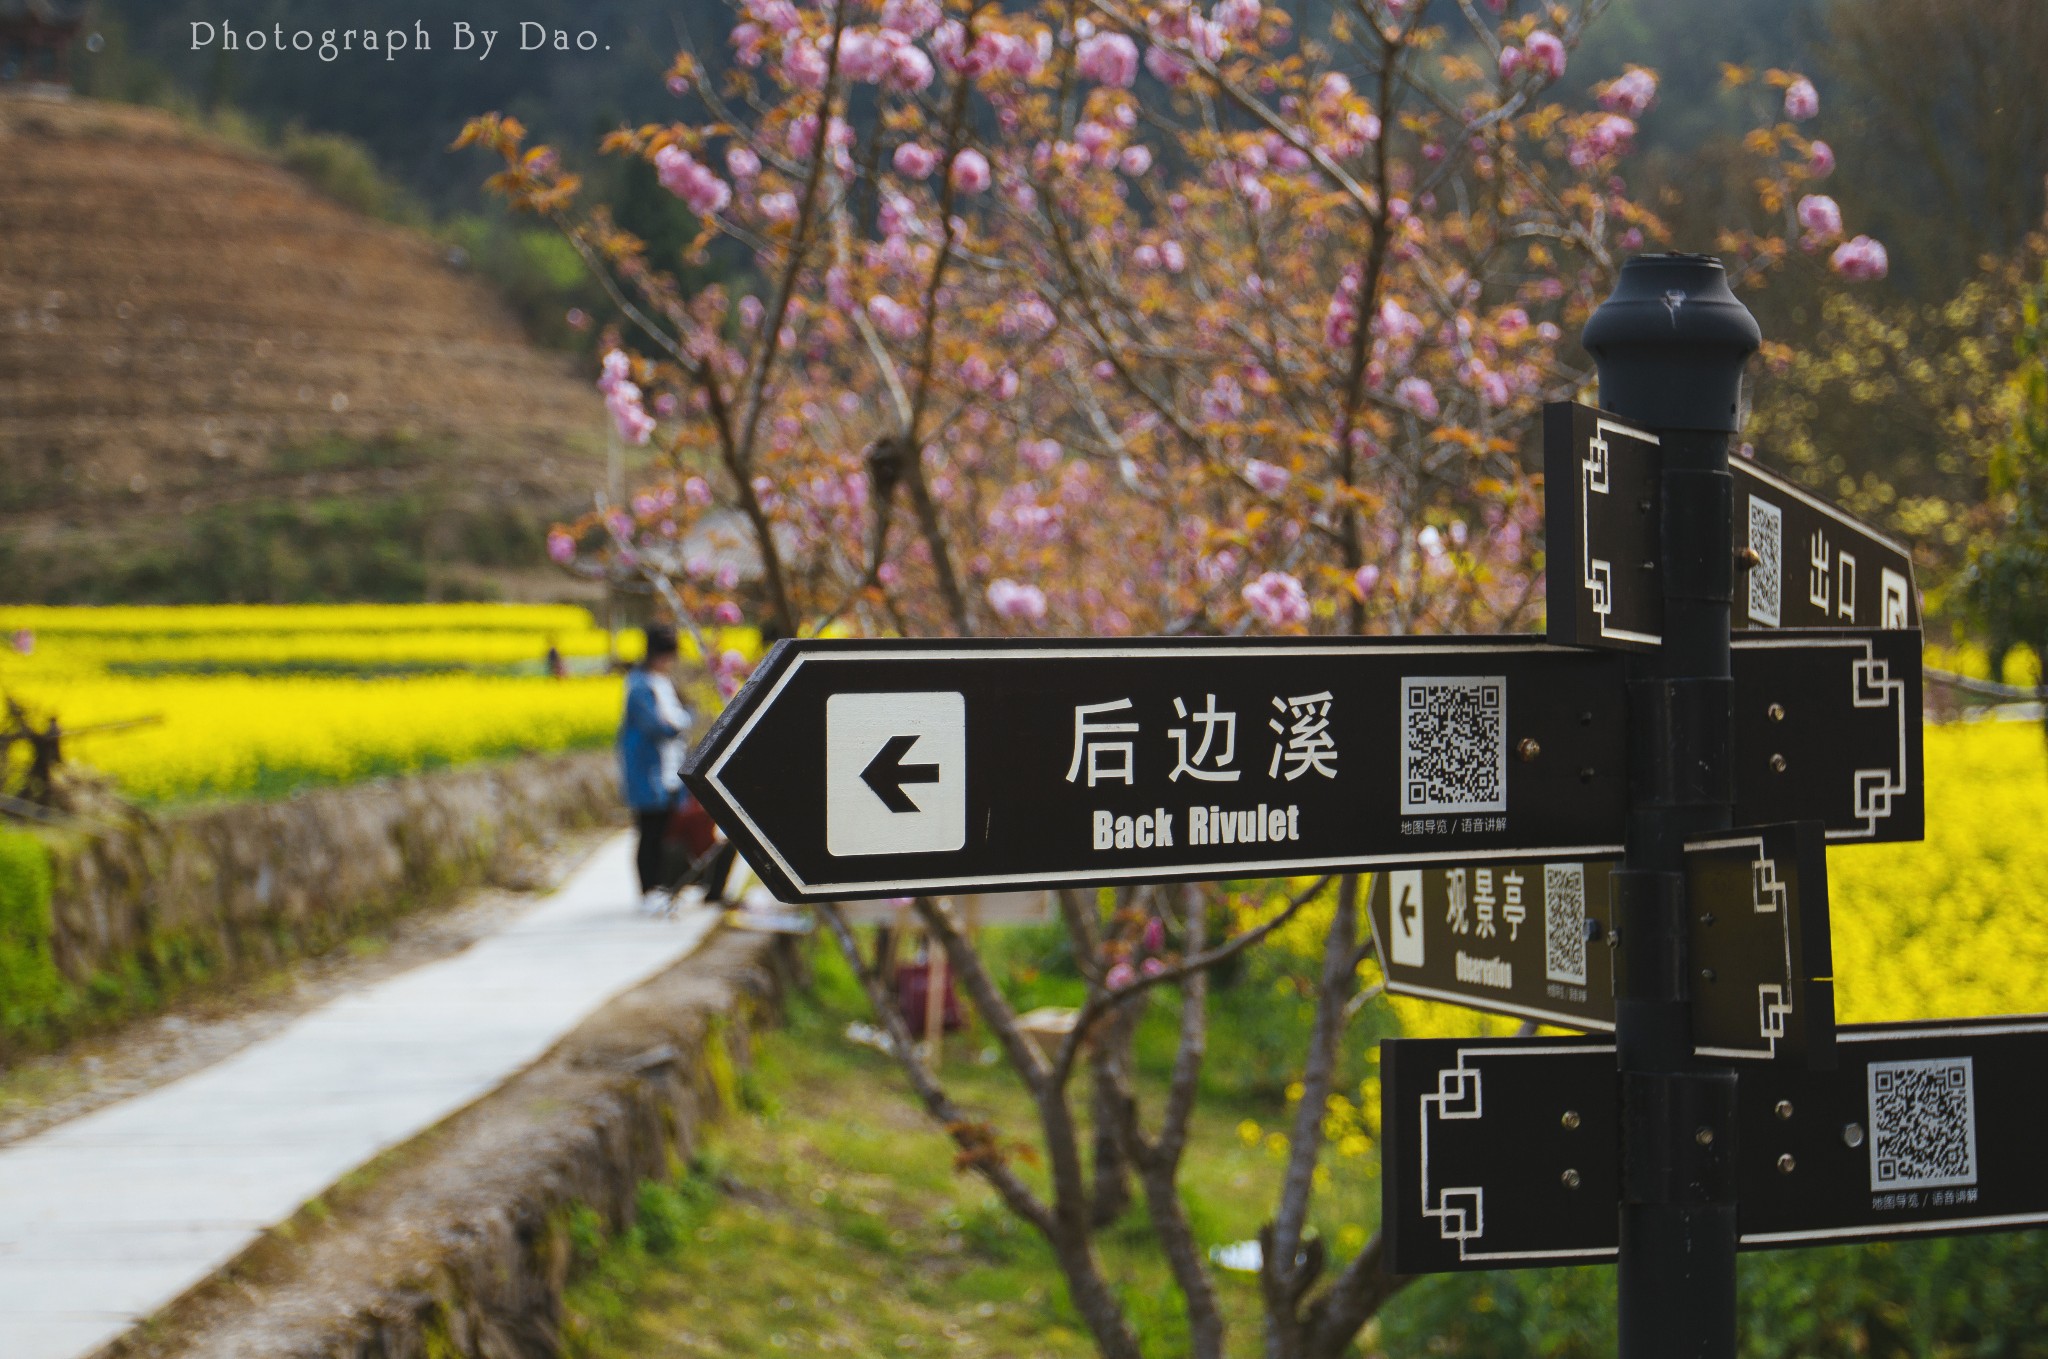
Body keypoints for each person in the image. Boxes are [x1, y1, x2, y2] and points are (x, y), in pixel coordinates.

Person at [617, 624, 691, 913]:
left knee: (663, 832)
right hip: (647, 774)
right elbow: (659, 726)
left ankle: (661, 888)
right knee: (649, 832)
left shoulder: (661, 682)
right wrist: (685, 720)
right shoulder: (640, 685)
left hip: (666, 770)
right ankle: (648, 891)